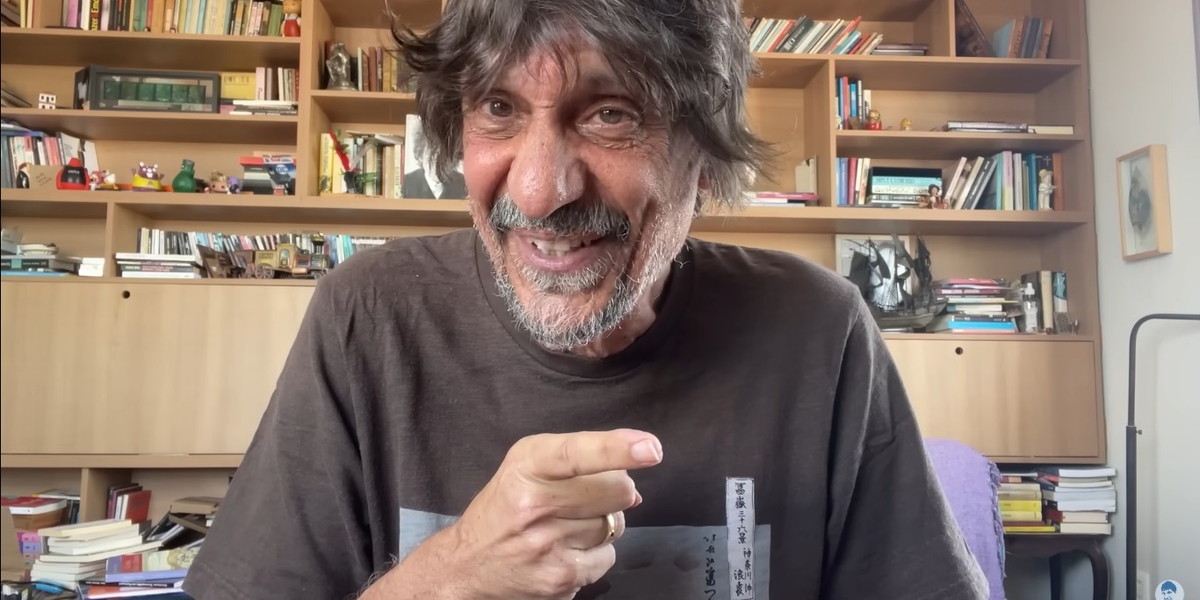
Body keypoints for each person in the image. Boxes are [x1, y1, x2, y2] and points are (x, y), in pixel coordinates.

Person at [181, 0, 989, 598]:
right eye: (499, 108)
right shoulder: (365, 318)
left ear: (703, 157)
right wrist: (452, 576)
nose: (538, 192)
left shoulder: (818, 332)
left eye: (610, 113)